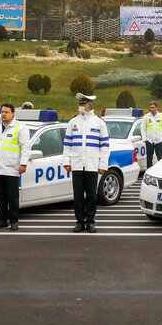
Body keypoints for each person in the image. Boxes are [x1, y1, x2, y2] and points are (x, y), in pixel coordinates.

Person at [62, 93, 110, 233]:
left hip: (92, 165)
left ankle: (90, 221)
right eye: (80, 104)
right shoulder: (73, 122)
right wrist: (66, 161)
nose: (80, 107)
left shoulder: (99, 122)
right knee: (77, 196)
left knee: (91, 196)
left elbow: (105, 145)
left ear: (90, 105)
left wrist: (103, 165)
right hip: (76, 164)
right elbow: (67, 144)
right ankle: (79, 221)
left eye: (83, 104)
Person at [0, 103, 31, 231]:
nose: (3, 114)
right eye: (2, 112)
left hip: (12, 168)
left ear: (13, 114)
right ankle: (2, 220)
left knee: (13, 197)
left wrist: (23, 164)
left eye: (6, 112)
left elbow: (25, 147)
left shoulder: (20, 128)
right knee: (1, 197)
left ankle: (14, 220)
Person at [142, 101, 162, 167]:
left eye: (153, 107)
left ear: (157, 108)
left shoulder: (161, 116)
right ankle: (149, 171)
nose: (152, 109)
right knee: (149, 158)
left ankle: (160, 173)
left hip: (159, 141)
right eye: (150, 107)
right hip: (149, 141)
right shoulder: (146, 116)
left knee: (160, 158)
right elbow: (143, 128)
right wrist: (144, 139)